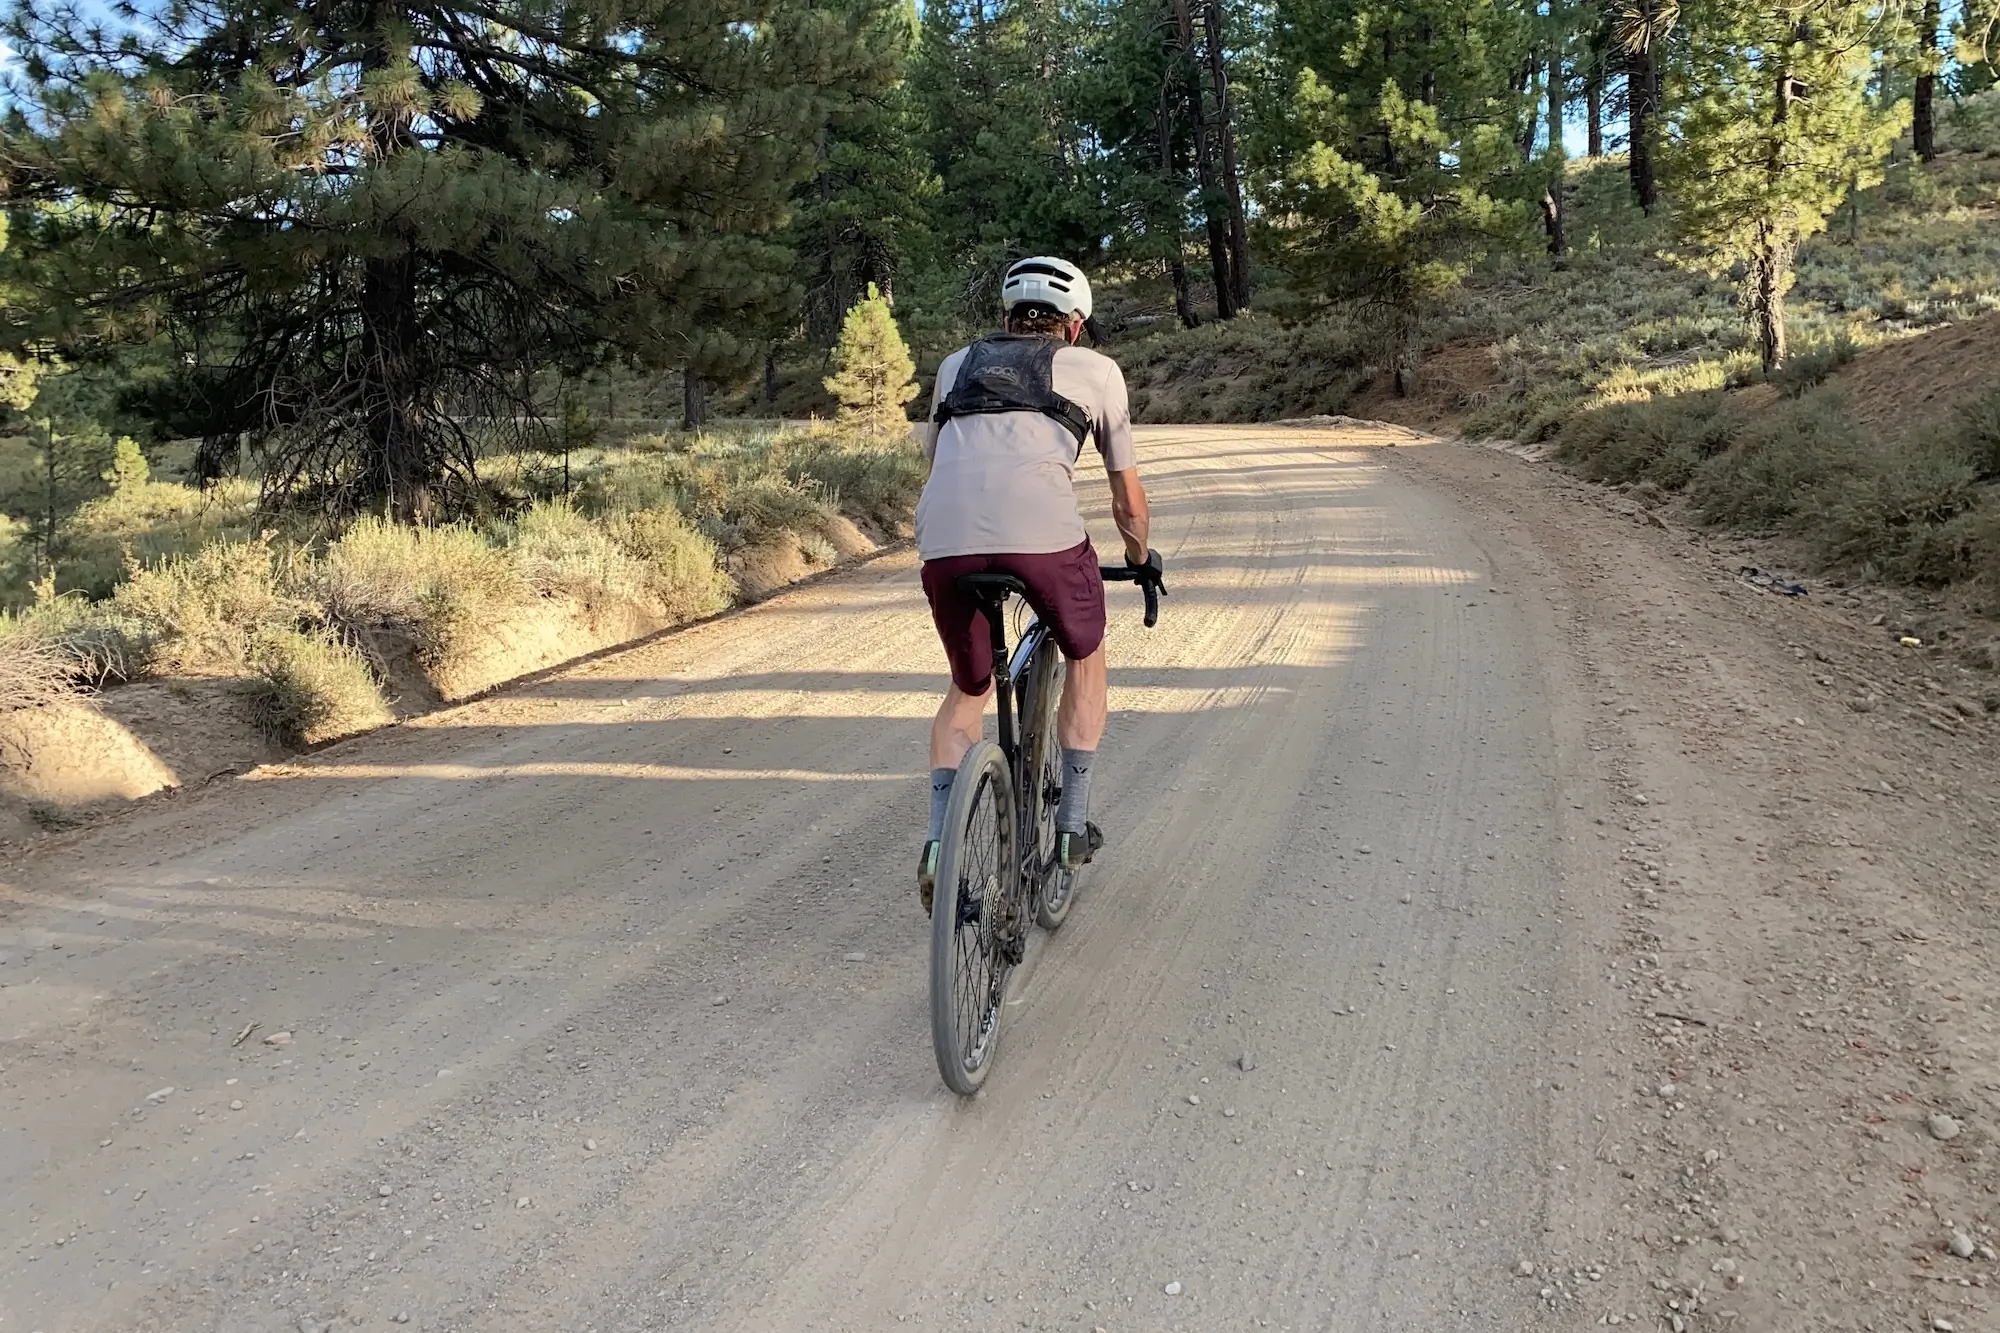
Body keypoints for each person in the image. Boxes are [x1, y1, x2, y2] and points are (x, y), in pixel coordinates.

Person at [914, 256, 1162, 912]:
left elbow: (938, 463)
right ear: (1074, 325)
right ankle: (1071, 826)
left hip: (944, 539)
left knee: (968, 690)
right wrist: (1139, 557)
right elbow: (1128, 502)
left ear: (1007, 318)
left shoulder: (956, 365)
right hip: (1043, 538)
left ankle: (938, 846)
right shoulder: (1097, 370)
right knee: (1086, 653)